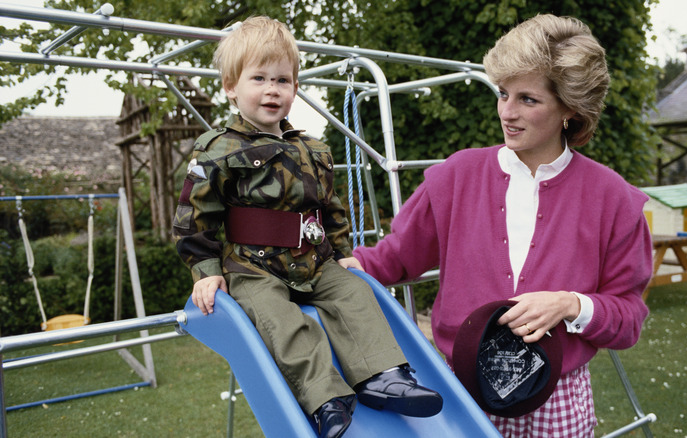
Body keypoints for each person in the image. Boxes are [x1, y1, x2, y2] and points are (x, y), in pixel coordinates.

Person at [340, 14, 653, 437]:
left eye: (528, 99)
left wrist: (569, 304)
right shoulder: (455, 175)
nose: (507, 111)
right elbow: (393, 258)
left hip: (557, 400)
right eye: (503, 93)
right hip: (460, 391)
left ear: (570, 109)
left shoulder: (614, 199)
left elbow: (629, 317)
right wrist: (335, 269)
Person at [172, 16, 442, 438]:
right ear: (231, 85)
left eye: (283, 79)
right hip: (252, 267)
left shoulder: (313, 149)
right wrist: (206, 274)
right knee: (280, 319)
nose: (272, 89)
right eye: (258, 78)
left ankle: (383, 377)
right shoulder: (218, 149)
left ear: (295, 86)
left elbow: (330, 208)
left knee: (356, 292)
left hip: (314, 262)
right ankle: (324, 399)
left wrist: (342, 253)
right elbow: (194, 218)